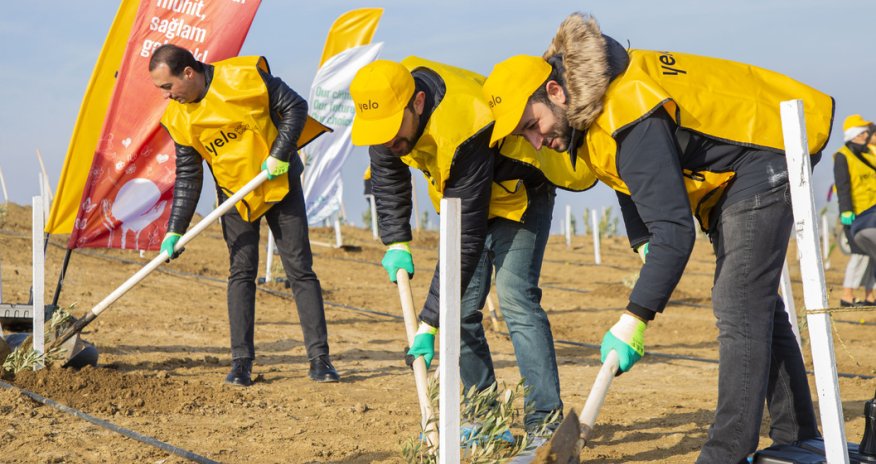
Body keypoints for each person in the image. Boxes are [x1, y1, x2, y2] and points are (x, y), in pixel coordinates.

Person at [483, 13, 834, 463]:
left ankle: (726, 454)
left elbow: (674, 231)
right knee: (755, 300)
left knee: (738, 300)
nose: (534, 140)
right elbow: (626, 177)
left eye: (532, 125)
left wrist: (634, 319)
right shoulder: (593, 113)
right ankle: (798, 437)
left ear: (555, 92)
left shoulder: (628, 106)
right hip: (734, 172)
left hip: (766, 148)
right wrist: (643, 238)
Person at [349, 58, 596, 437]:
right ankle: (485, 418)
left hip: (521, 192)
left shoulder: (462, 123)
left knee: (516, 300)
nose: (386, 140)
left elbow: (463, 239)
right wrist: (397, 239)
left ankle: (544, 421)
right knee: (460, 311)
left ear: (417, 103)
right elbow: (388, 173)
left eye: (392, 130)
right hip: (467, 201)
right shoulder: (384, 112)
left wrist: (429, 322)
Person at [148, 44, 340, 386]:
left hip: (277, 179)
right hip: (234, 195)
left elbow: (295, 107)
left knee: (299, 268)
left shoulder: (243, 77)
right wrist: (174, 230)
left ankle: (320, 359)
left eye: (168, 87)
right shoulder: (178, 119)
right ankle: (241, 363)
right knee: (241, 272)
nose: (167, 96)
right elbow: (189, 176)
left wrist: (281, 152)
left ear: (188, 73)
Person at [835, 114, 876, 306]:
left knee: (872, 255)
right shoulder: (843, 156)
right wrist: (846, 211)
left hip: (873, 213)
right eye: (865, 132)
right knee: (859, 255)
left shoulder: (868, 155)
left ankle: (870, 295)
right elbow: (843, 186)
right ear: (856, 135)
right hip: (857, 214)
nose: (868, 135)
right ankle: (847, 294)